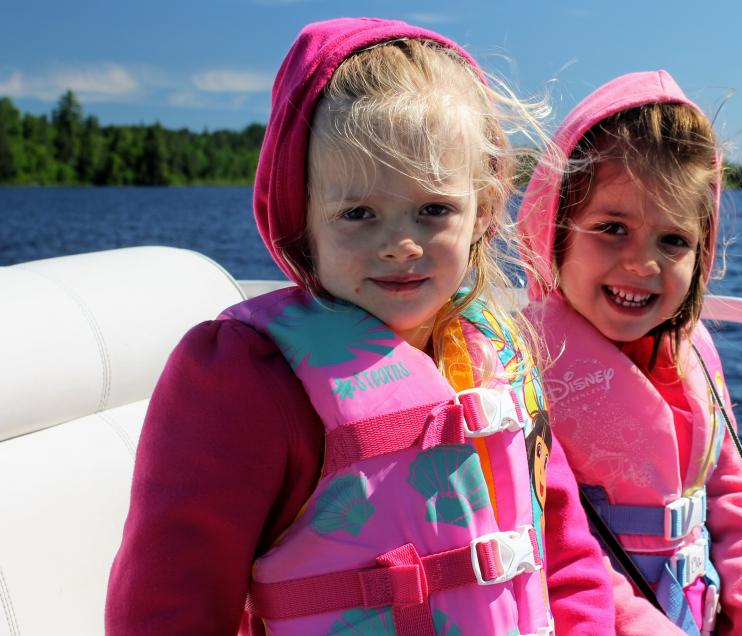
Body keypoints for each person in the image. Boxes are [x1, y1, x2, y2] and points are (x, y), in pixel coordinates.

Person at [106, 17, 612, 635]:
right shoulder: (245, 380)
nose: (400, 244)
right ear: (301, 218)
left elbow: (564, 554)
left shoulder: (501, 357)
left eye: (433, 209)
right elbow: (165, 608)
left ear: (482, 207)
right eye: (358, 213)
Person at [518, 70, 742, 635]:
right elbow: (545, 536)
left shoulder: (695, 354)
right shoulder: (524, 365)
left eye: (672, 240)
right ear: (554, 229)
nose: (642, 264)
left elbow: (734, 506)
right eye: (611, 228)